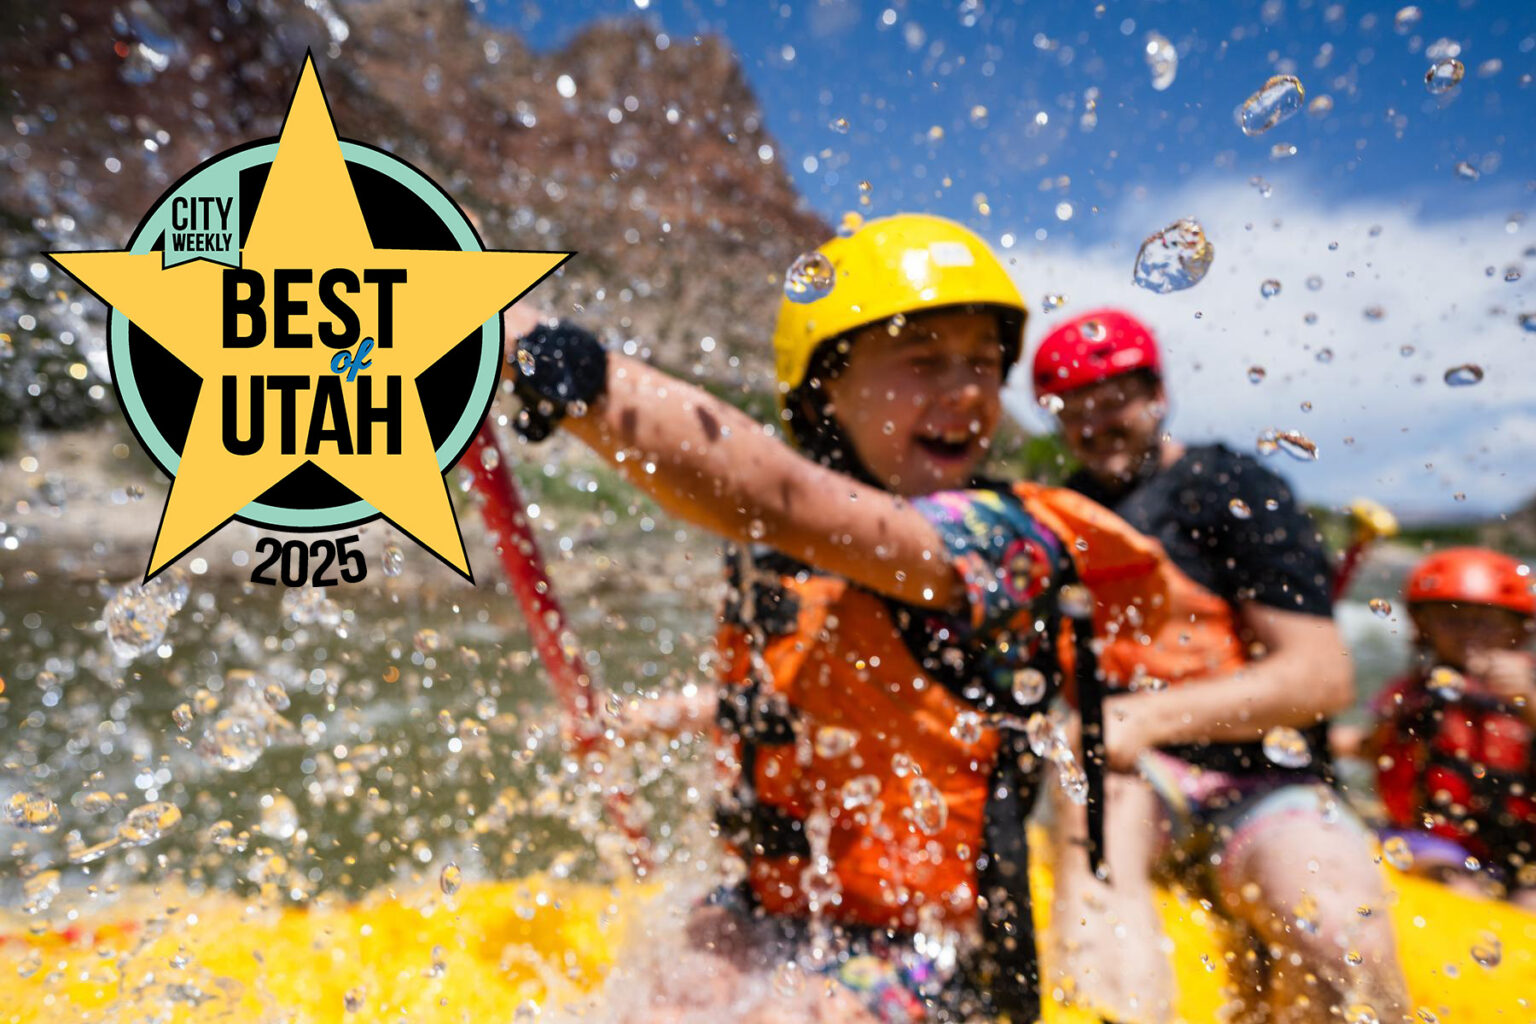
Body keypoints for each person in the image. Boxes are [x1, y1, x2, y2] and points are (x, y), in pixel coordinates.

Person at [503, 215, 1163, 1022]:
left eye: (984, 365)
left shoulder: (1003, 542)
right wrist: (650, 719)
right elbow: (811, 701)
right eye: (924, 360)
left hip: (935, 942)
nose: (966, 391)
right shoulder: (790, 559)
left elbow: (775, 494)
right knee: (669, 999)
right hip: (770, 902)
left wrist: (554, 358)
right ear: (824, 391)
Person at [1030, 309, 1410, 1024]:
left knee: (1340, 938)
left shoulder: (1233, 488)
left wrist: (1137, 716)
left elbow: (1322, 677)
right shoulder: (1061, 515)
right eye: (1072, 411)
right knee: (1094, 770)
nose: (1094, 425)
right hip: (1132, 784)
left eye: (1112, 402)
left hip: (1265, 780)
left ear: (1157, 395)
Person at [1367, 547, 1536, 910]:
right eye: (1452, 619)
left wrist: (1529, 702)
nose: (1469, 632)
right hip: (1432, 842)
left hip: (1520, 846)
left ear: (1518, 629)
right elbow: (1373, 747)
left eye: (1487, 621)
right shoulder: (1410, 695)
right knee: (1459, 887)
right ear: (1422, 625)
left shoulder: (1529, 690)